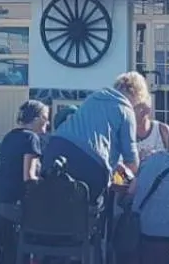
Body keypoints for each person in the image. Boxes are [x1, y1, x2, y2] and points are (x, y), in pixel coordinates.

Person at [45, 71, 145, 200]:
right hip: (90, 163)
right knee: (90, 205)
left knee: (49, 198)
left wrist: (115, 165)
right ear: (136, 95)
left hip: (57, 146)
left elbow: (90, 135)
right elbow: (130, 158)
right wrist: (137, 178)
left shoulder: (93, 98)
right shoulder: (126, 110)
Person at [0, 100, 49, 213]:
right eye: (45, 118)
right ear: (36, 119)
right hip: (18, 203)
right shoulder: (31, 138)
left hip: (1, 200)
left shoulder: (9, 136)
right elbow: (29, 177)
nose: (47, 122)